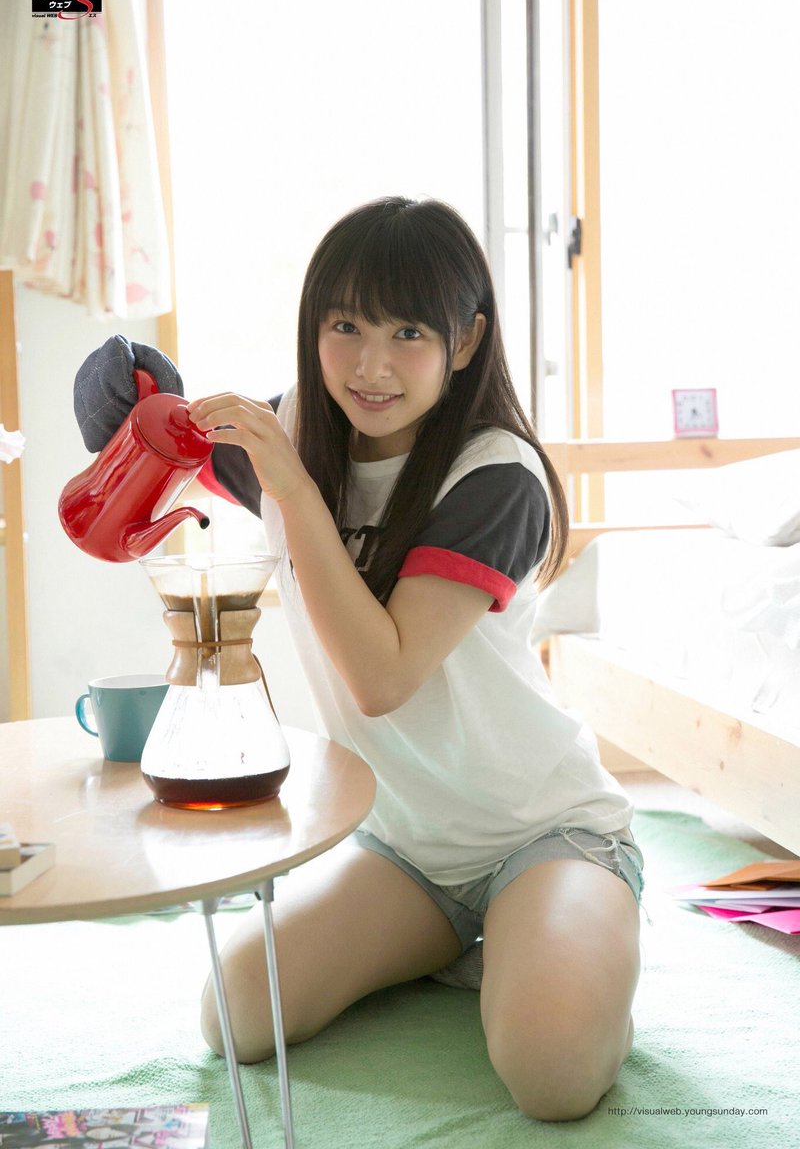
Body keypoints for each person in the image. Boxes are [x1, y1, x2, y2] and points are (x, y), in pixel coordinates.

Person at [74, 197, 644, 1122]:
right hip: (406, 850)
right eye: (346, 326)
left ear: (465, 341)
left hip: (542, 833)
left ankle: (578, 954)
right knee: (235, 1016)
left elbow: (382, 680)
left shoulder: (496, 475)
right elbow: (173, 444)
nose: (371, 366)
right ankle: (480, 948)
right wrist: (132, 404)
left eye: (409, 333)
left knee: (552, 1074)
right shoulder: (301, 428)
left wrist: (293, 486)